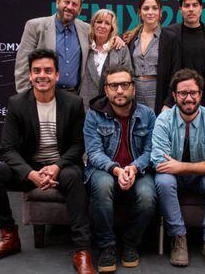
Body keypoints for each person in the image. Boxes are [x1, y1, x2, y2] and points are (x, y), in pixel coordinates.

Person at [0, 49, 95, 273]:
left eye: (48, 71)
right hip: (31, 167)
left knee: (73, 175)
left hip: (62, 166)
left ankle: (82, 250)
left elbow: (78, 145)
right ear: (30, 75)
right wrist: (31, 174)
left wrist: (57, 167)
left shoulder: (73, 103)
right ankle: (9, 236)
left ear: (57, 75)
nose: (43, 75)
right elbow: (8, 149)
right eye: (37, 71)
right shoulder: (17, 103)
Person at [84, 65, 157, 273]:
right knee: (103, 184)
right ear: (105, 90)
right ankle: (107, 246)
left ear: (133, 88)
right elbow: (94, 152)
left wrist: (133, 169)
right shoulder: (93, 115)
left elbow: (151, 151)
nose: (119, 90)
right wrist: (117, 170)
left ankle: (130, 244)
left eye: (124, 85)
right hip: (105, 170)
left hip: (138, 170)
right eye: (113, 85)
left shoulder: (148, 114)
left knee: (147, 195)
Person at [151, 69, 205, 268]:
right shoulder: (163, 121)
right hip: (174, 177)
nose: (188, 98)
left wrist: (180, 166)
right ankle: (179, 238)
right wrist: (192, 167)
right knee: (163, 180)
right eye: (183, 93)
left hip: (202, 179)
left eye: (193, 93)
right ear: (175, 96)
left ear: (200, 94)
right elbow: (159, 161)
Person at [15, 0, 124, 93]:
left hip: (74, 98)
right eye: (66, 2)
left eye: (75, 4)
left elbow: (103, 38)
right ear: (58, 2)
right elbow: (23, 66)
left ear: (80, 9)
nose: (70, 7)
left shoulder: (86, 29)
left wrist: (115, 37)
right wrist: (26, 97)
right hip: (43, 95)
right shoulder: (35, 26)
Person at [123, 0, 180, 114]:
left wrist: (168, 102)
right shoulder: (131, 38)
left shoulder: (170, 38)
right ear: (140, 12)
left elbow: (176, 73)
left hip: (158, 93)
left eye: (154, 8)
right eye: (146, 8)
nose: (150, 12)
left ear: (160, 12)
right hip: (135, 93)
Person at [164, 0, 205, 105]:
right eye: (186, 6)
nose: (191, 9)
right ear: (180, 10)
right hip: (178, 98)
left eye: (195, 5)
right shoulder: (170, 33)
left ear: (201, 8)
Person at [79, 9, 131, 111]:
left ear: (112, 28)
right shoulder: (84, 45)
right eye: (99, 22)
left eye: (107, 23)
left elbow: (128, 76)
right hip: (86, 105)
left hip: (113, 105)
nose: (102, 26)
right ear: (93, 24)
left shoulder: (121, 48)